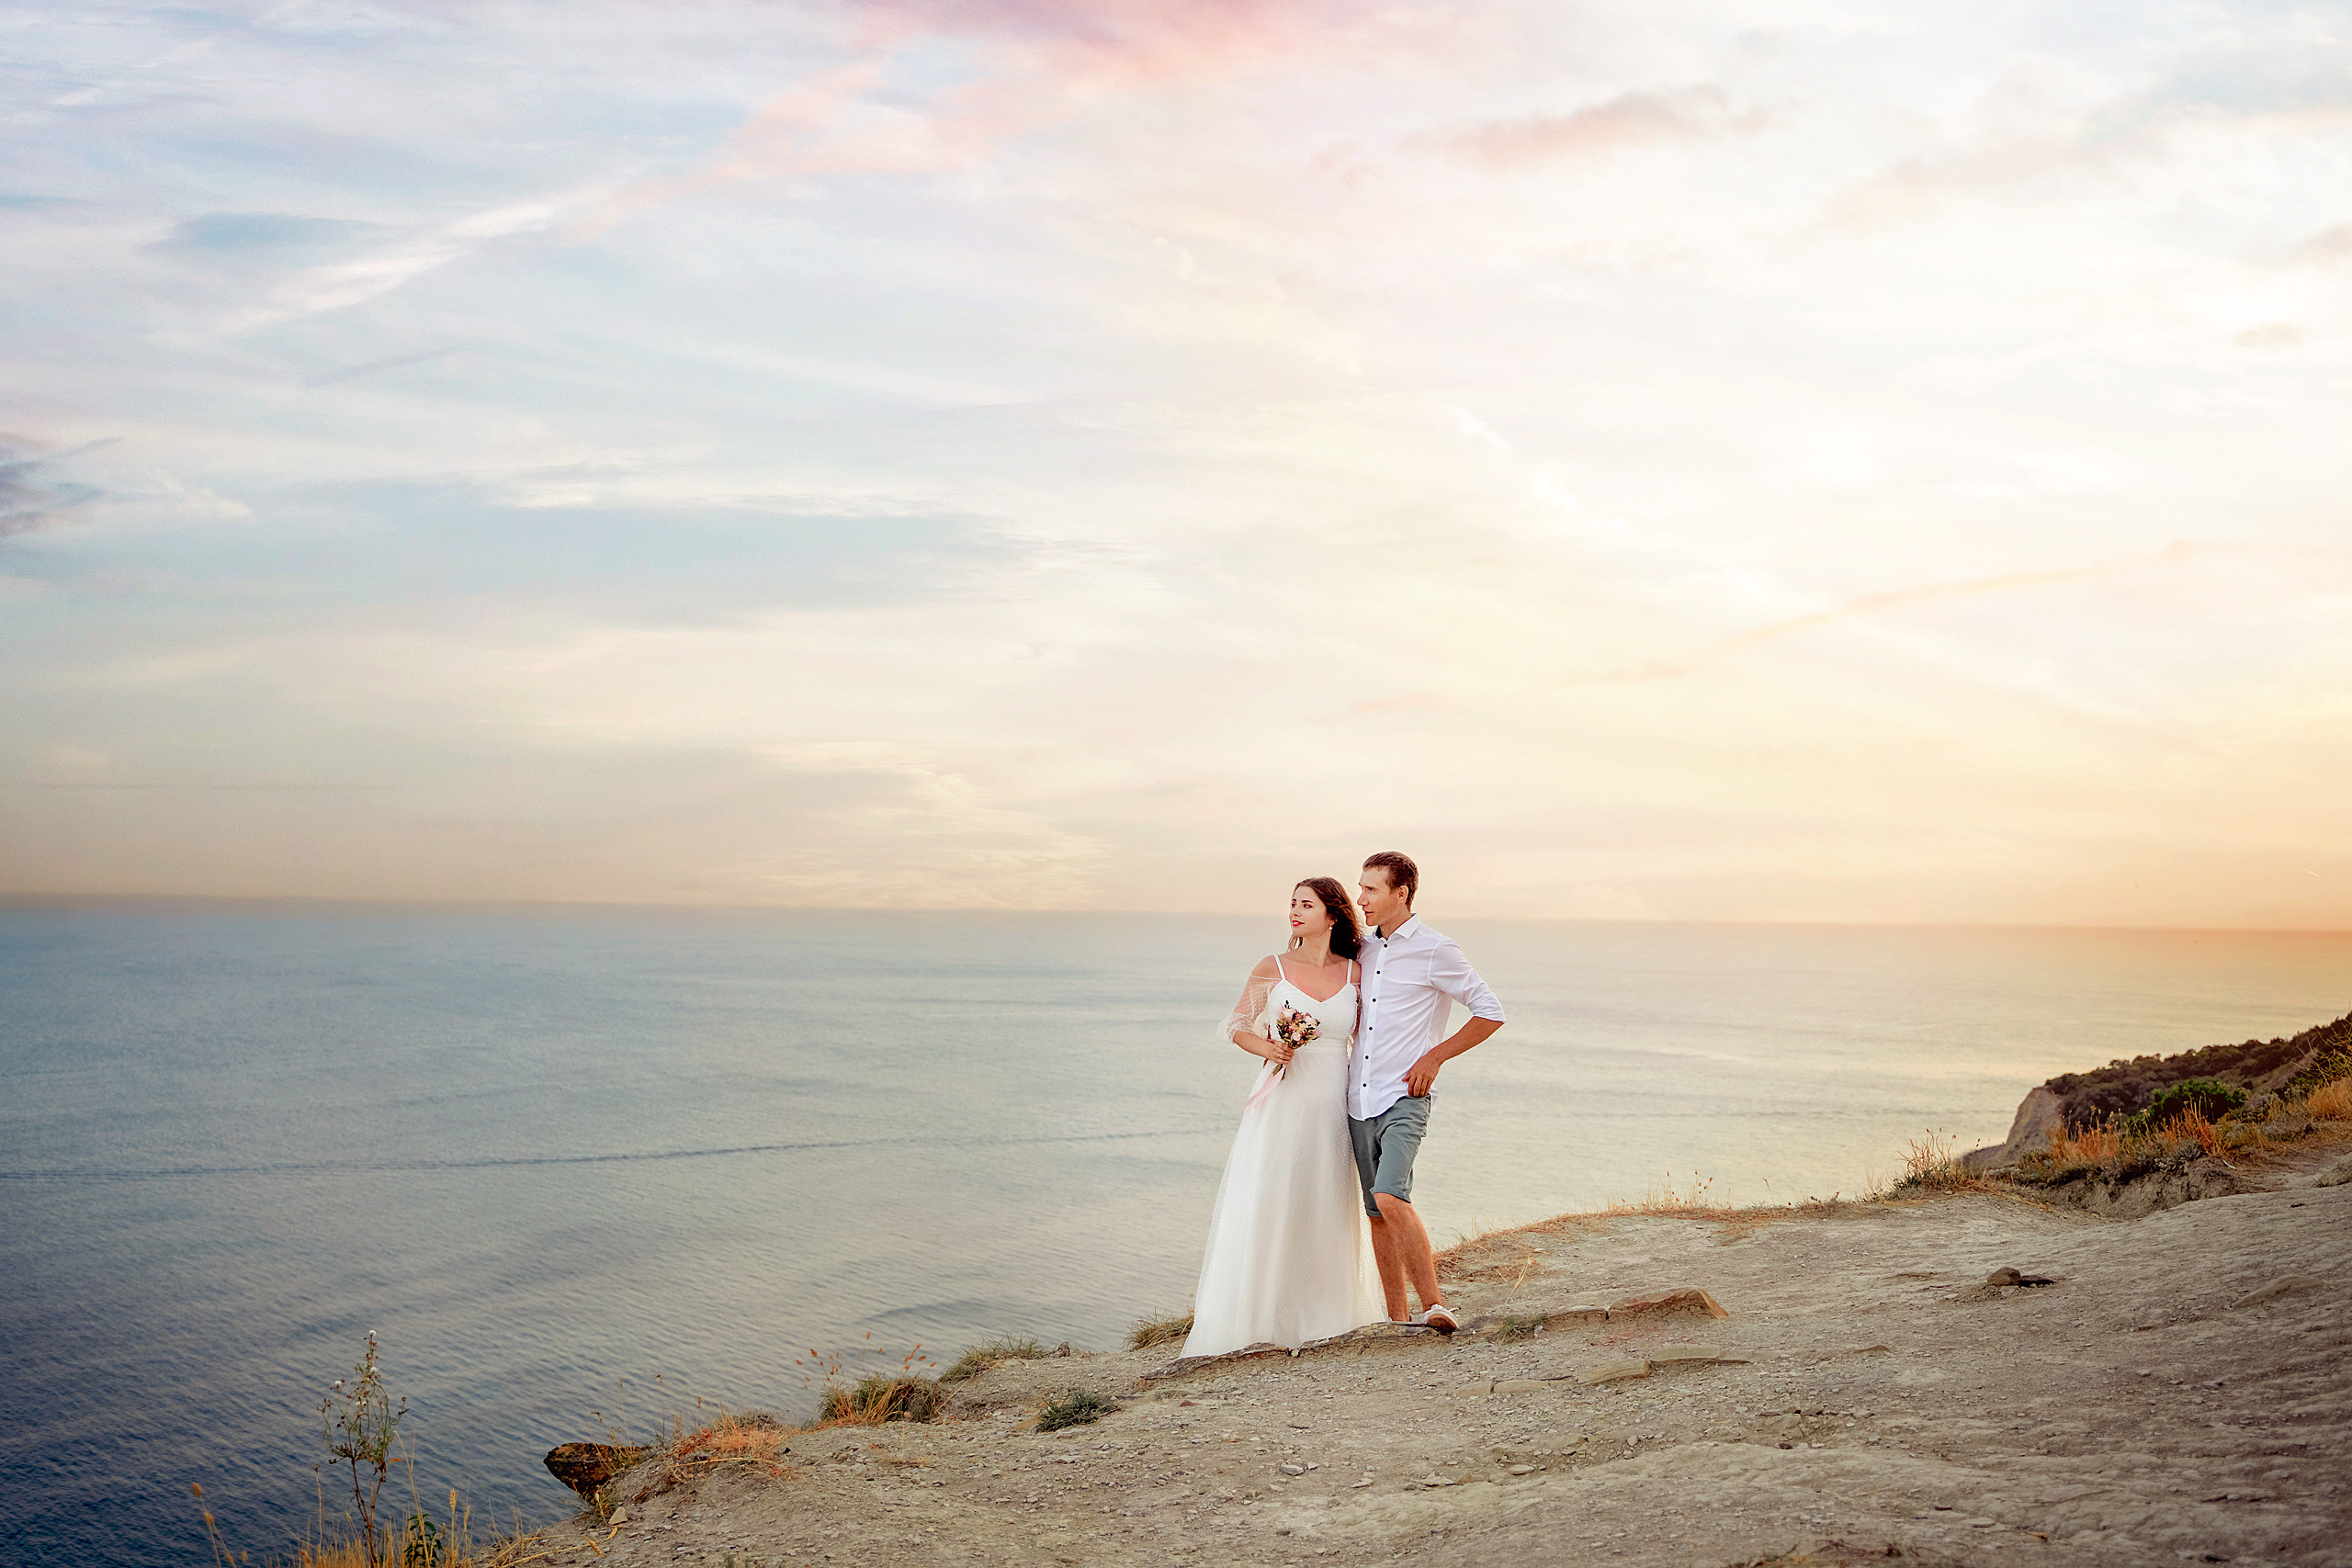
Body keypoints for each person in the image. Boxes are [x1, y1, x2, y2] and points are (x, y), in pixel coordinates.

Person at [1180, 877, 1385, 1358]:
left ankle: (1326, 1317)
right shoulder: (1271, 967)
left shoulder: (1357, 974)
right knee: (1275, 1199)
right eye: (1292, 904)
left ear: (1332, 915)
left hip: (1335, 1105)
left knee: (1325, 1202)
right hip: (1282, 1101)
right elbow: (1235, 1026)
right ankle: (1262, 1319)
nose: (1294, 911)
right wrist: (1269, 1046)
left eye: (1305, 904)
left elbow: (1370, 1037)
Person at [1351, 851, 1505, 1333]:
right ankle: (1398, 1318)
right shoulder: (1362, 949)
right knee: (1376, 1213)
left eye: (1372, 890)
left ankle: (1435, 1306)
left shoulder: (1437, 949)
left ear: (1402, 893)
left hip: (1404, 1096)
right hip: (1356, 1098)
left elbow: (1489, 1010)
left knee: (1391, 1196)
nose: (1362, 899)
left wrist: (1434, 1056)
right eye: (1361, 888)